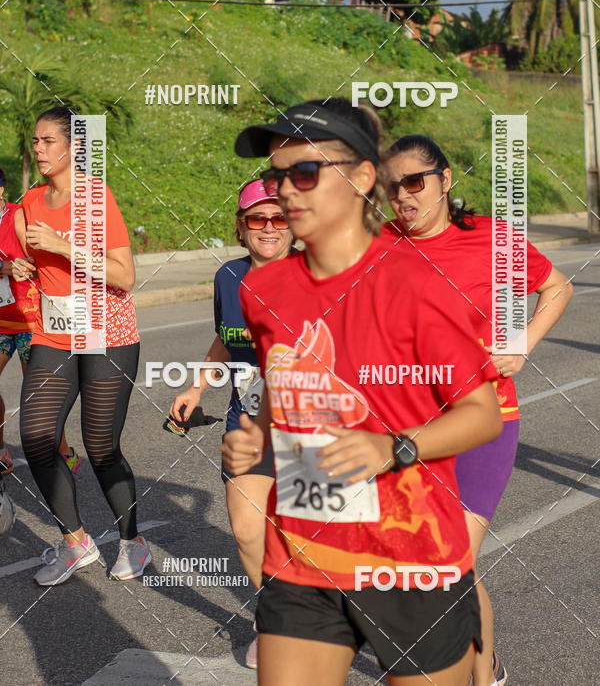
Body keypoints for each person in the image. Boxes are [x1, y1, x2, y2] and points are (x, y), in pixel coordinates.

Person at [222, 98, 504, 686]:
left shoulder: (418, 283)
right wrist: (259, 434)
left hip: (412, 560)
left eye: (305, 172)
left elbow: (482, 414)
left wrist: (391, 447)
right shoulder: (263, 289)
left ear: (362, 177)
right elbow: (284, 377)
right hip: (302, 556)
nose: (286, 190)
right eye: (277, 175)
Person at [381, 134, 573, 686]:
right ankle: (479, 666)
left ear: (444, 181)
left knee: (452, 561)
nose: (403, 196)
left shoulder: (490, 239)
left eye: (414, 182)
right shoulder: (378, 246)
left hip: (486, 423)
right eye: (393, 188)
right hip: (411, 430)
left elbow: (557, 288)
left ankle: (481, 676)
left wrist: (523, 343)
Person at [12, 106, 149, 586]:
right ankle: (76, 542)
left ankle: (132, 541)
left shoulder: (95, 198)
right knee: (37, 437)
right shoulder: (30, 202)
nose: (40, 148)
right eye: (35, 141)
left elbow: (124, 275)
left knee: (100, 445)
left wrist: (64, 246)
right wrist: (24, 266)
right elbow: (34, 260)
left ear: (73, 147)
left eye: (49, 140)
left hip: (105, 330)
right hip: (54, 332)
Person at [169, 179, 293, 669]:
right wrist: (197, 387)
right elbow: (227, 338)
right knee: (246, 531)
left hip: (308, 424)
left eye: (279, 217)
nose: (269, 227)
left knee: (303, 536)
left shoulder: (317, 275)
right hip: (247, 421)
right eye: (257, 218)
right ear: (241, 228)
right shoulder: (228, 277)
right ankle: (275, 618)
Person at [0, 168, 80, 477]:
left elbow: (41, 258)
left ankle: (63, 452)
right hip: (1, 324)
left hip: (31, 321)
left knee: (39, 399)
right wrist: (4, 266)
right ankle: (2, 452)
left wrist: (21, 265)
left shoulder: (18, 217)